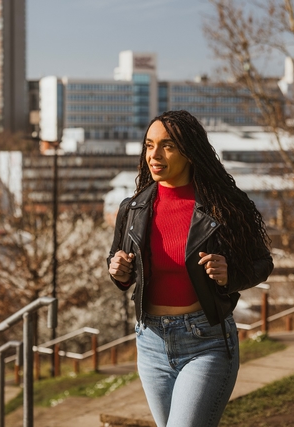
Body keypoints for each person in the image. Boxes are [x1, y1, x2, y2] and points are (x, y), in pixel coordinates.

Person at [107, 110, 273, 427]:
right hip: (150, 342)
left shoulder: (224, 206)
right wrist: (118, 270)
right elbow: (119, 259)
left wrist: (230, 275)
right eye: (149, 145)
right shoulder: (133, 207)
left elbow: (262, 262)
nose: (154, 155)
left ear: (189, 152)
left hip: (206, 342)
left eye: (167, 146)